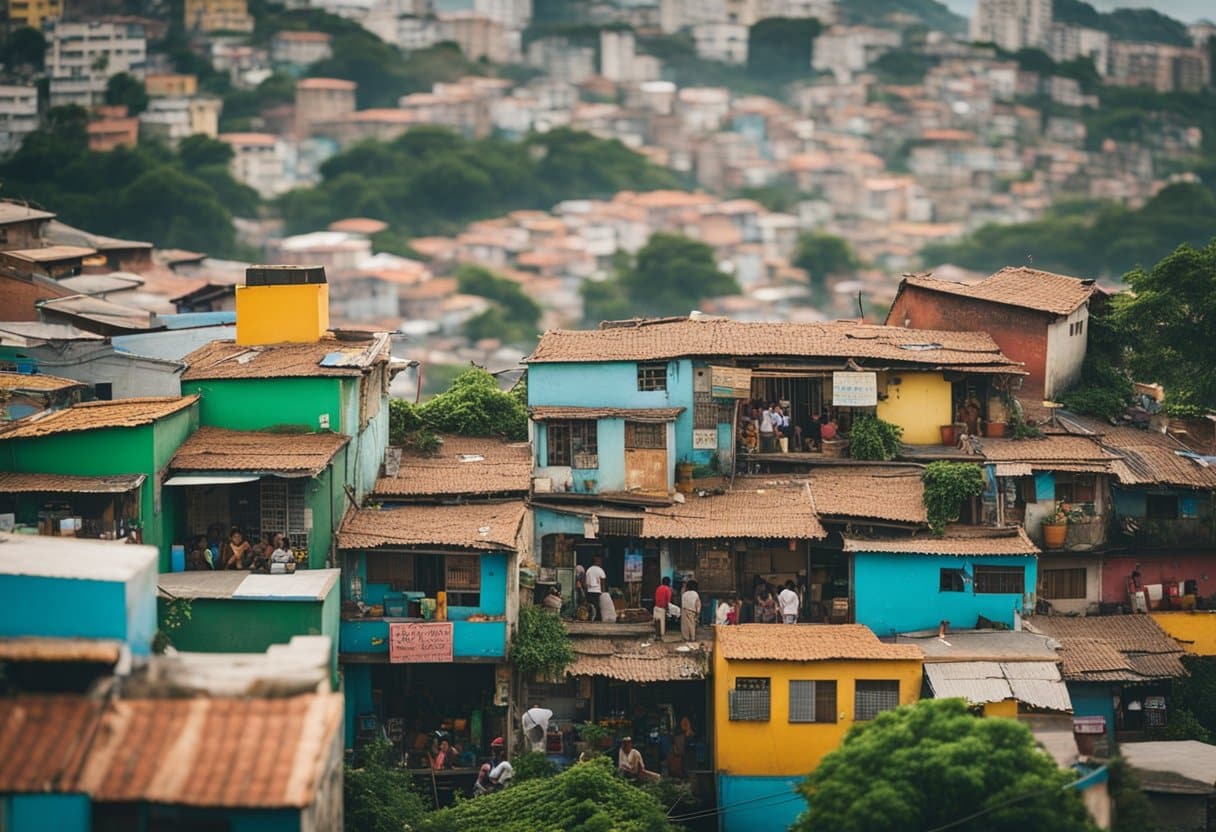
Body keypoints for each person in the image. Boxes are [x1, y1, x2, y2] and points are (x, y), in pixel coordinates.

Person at [585, 556, 607, 621]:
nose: (601, 563)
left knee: (591, 605)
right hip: (597, 591)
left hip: (589, 591)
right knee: (597, 605)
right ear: (597, 561)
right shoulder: (600, 570)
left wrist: (586, 589)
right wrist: (603, 591)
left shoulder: (589, 570)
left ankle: (590, 617)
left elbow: (586, 581)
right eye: (600, 561)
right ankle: (597, 618)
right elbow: (602, 581)